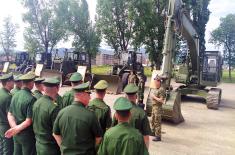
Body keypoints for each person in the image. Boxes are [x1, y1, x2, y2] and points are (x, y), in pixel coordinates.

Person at [53, 82, 102, 155]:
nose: (90, 98)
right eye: (88, 95)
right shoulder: (90, 115)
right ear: (83, 95)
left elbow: (55, 134)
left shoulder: (62, 112)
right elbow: (98, 138)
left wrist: (63, 148)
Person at [5, 72, 37, 155]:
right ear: (31, 83)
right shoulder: (31, 98)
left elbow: (10, 114)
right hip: (26, 134)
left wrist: (14, 128)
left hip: (16, 133)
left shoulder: (15, 95)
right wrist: (16, 129)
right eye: (33, 82)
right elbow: (28, 121)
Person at [112, 84, 151, 149]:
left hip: (119, 146)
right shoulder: (141, 113)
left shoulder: (119, 111)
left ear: (125, 96)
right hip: (135, 148)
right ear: (136, 96)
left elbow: (112, 130)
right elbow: (146, 137)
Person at [32, 77, 61, 155]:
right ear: (57, 88)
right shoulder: (53, 108)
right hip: (51, 148)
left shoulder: (37, 102)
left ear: (44, 88)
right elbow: (57, 132)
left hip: (39, 144)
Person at [0, 73, 14, 155]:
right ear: (8, 82)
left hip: (1, 124)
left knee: (2, 148)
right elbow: (11, 114)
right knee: (8, 150)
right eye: (12, 81)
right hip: (6, 126)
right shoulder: (8, 96)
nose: (14, 83)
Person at [151, 75, 166, 142]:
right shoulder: (156, 89)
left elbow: (162, 100)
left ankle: (158, 136)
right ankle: (153, 132)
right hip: (154, 107)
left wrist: (154, 97)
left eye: (155, 82)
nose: (154, 84)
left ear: (159, 82)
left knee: (157, 122)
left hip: (158, 108)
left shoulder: (161, 90)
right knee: (152, 120)